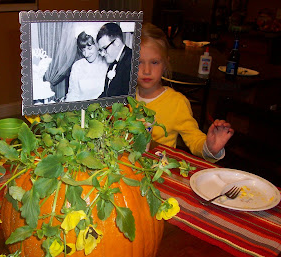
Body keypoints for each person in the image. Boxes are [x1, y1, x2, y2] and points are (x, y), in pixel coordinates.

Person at [136, 23, 234, 162]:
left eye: (155, 62)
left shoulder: (177, 103)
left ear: (165, 64)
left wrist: (210, 147)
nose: (146, 70)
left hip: (159, 174)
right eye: (139, 62)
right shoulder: (123, 97)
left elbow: (194, 140)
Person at [65, 31, 108, 102]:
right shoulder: (77, 66)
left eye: (89, 48)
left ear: (97, 45)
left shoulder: (107, 63)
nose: (86, 54)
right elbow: (73, 94)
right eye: (83, 50)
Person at [96, 22, 132, 98]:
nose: (102, 54)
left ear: (117, 42)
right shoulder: (113, 61)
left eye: (105, 48)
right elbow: (106, 93)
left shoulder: (132, 61)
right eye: (100, 50)